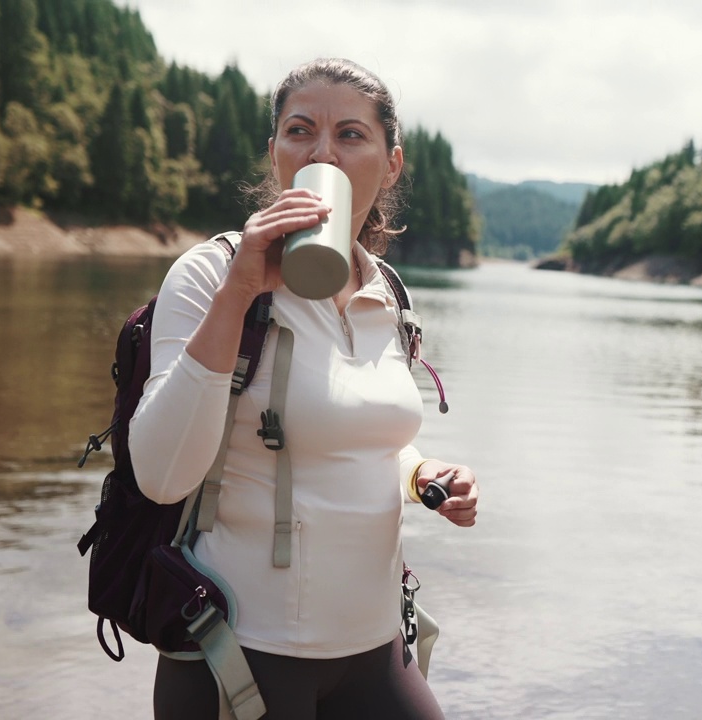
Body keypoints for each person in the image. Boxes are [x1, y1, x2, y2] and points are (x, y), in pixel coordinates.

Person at [129, 58, 479, 719]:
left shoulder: (389, 292)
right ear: (275, 154)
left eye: (350, 134)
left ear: (392, 162)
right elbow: (162, 475)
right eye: (300, 131)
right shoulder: (210, 274)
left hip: (376, 647)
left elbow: (364, 440)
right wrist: (238, 293)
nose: (324, 152)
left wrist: (421, 473)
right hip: (241, 652)